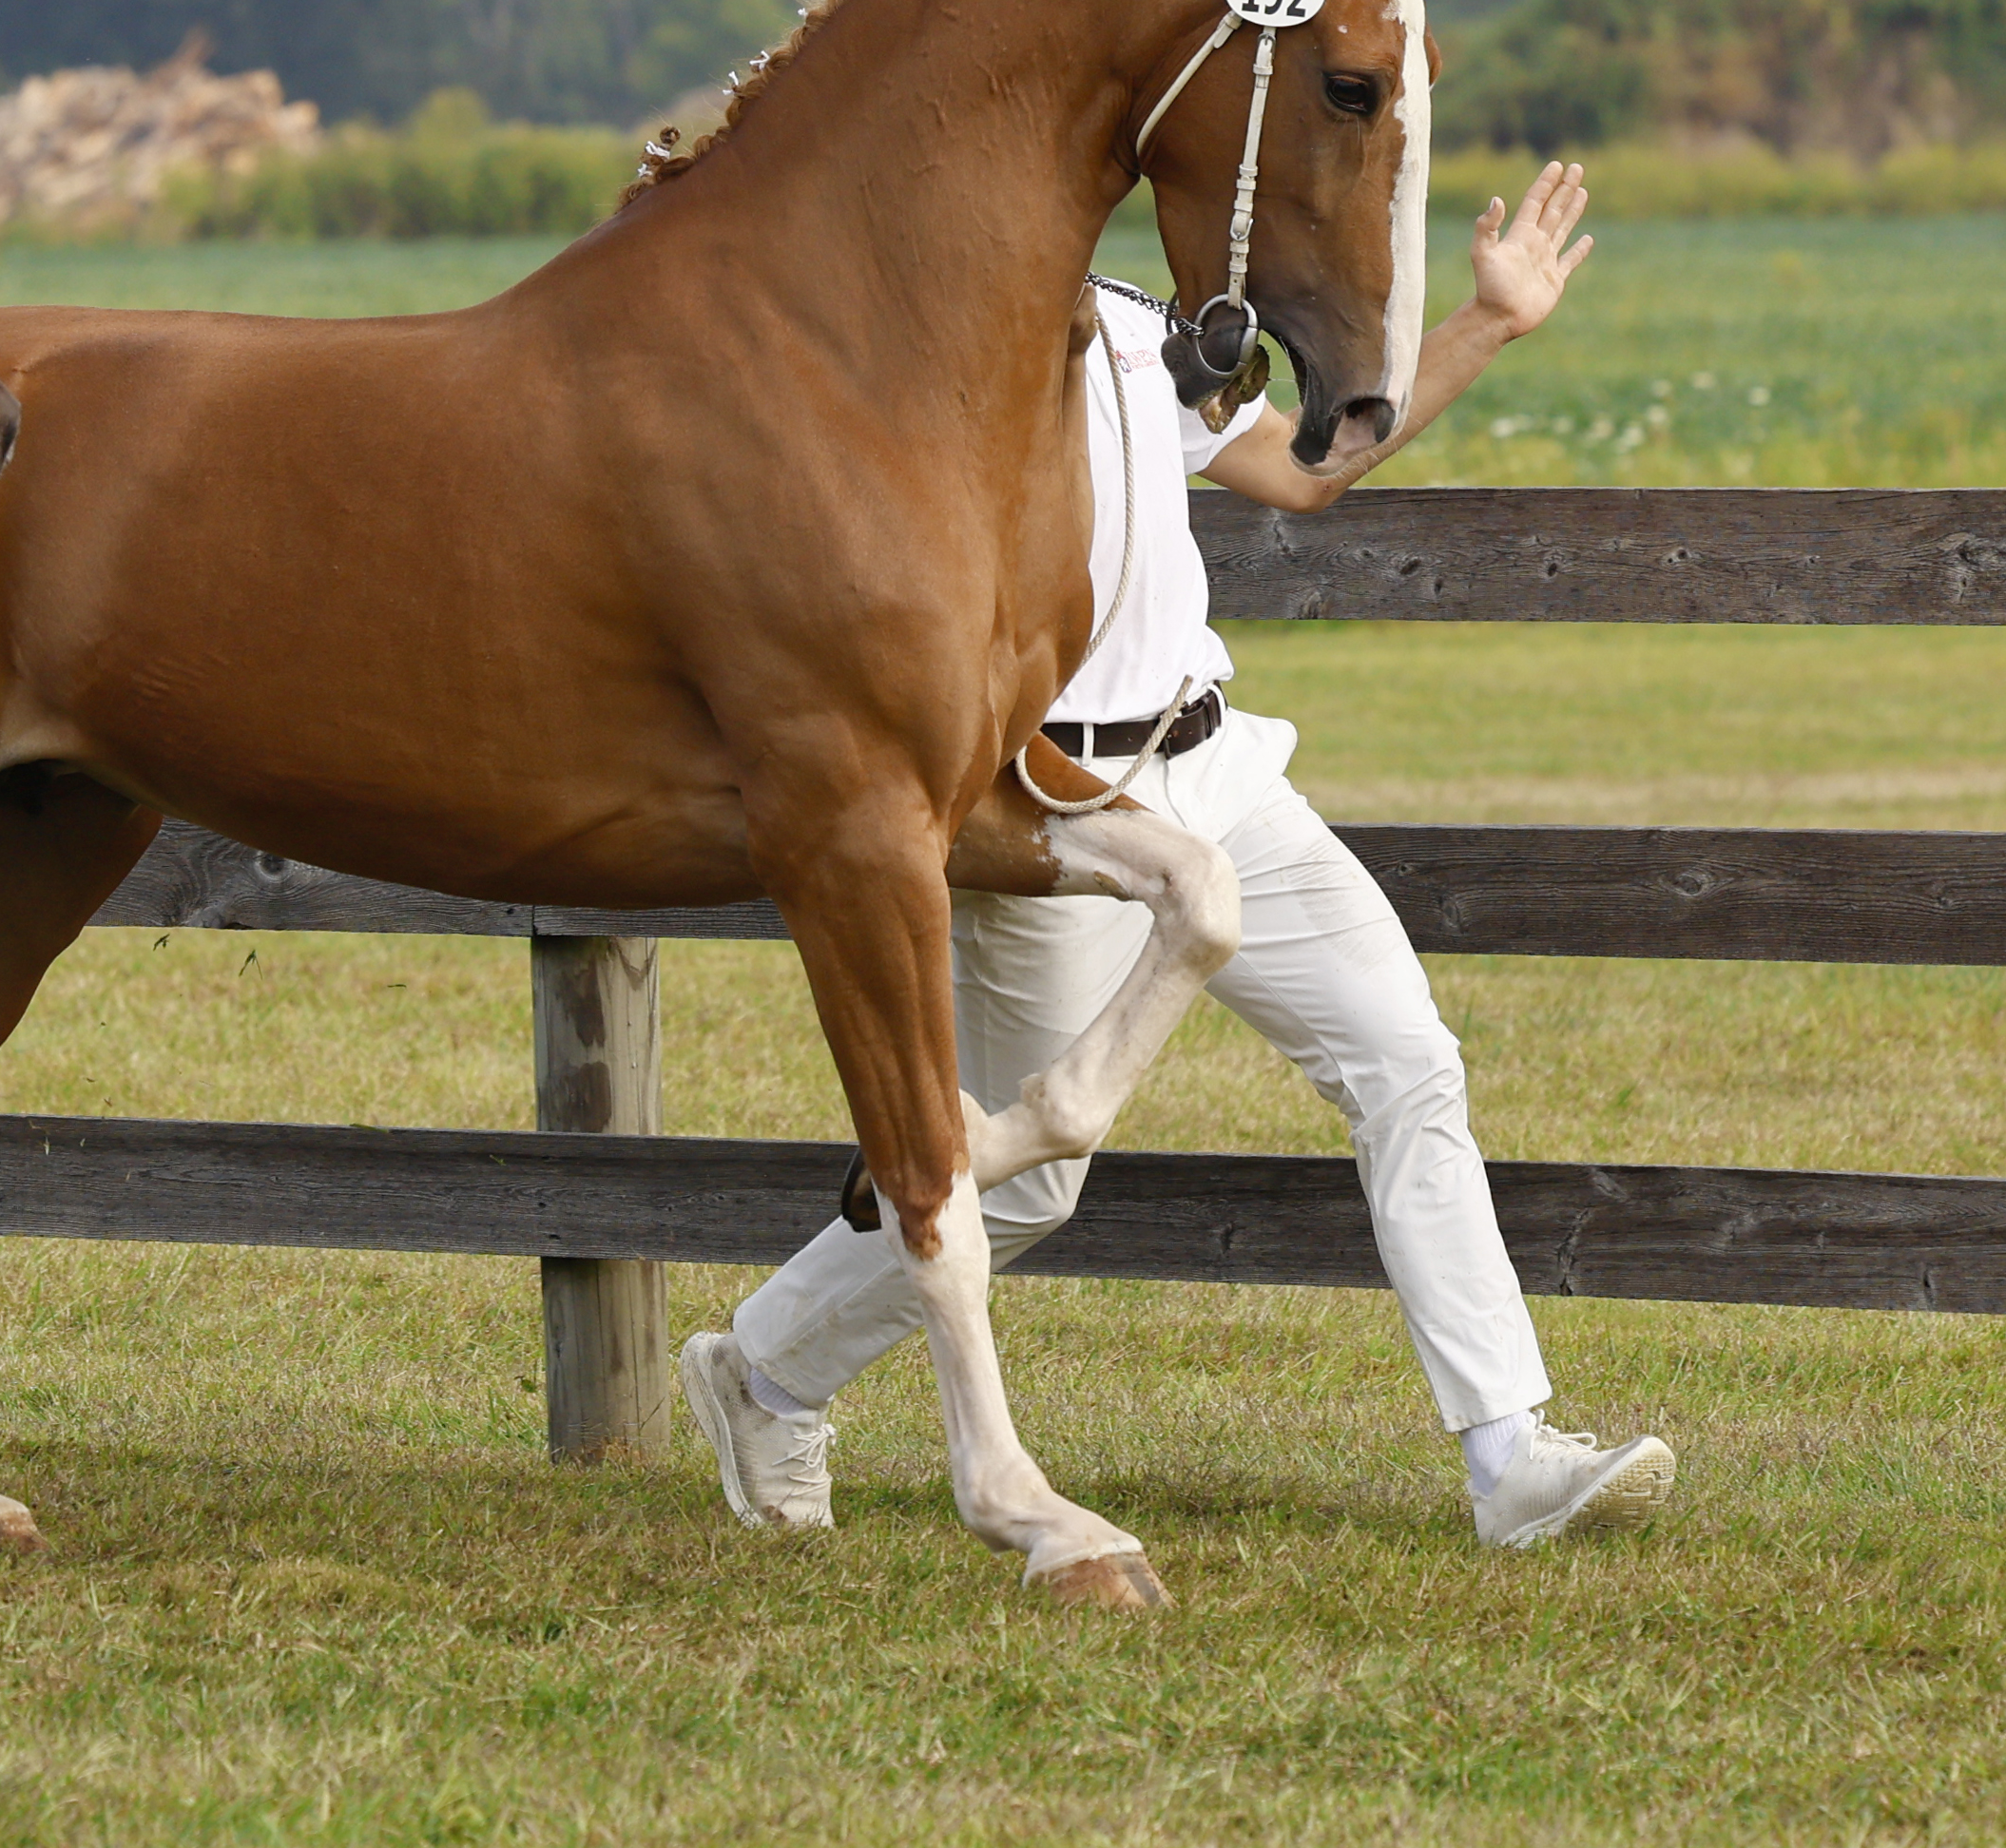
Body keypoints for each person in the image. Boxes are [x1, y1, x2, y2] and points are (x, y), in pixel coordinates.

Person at [680, 159, 1675, 1551]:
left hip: (1215, 764)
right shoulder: (914, 365)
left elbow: (1302, 468)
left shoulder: (1143, 325)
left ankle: (1507, 1453)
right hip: (1053, 804)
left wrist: (1486, 325)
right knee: (1024, 1182)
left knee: (1404, 1062)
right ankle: (764, 1370)